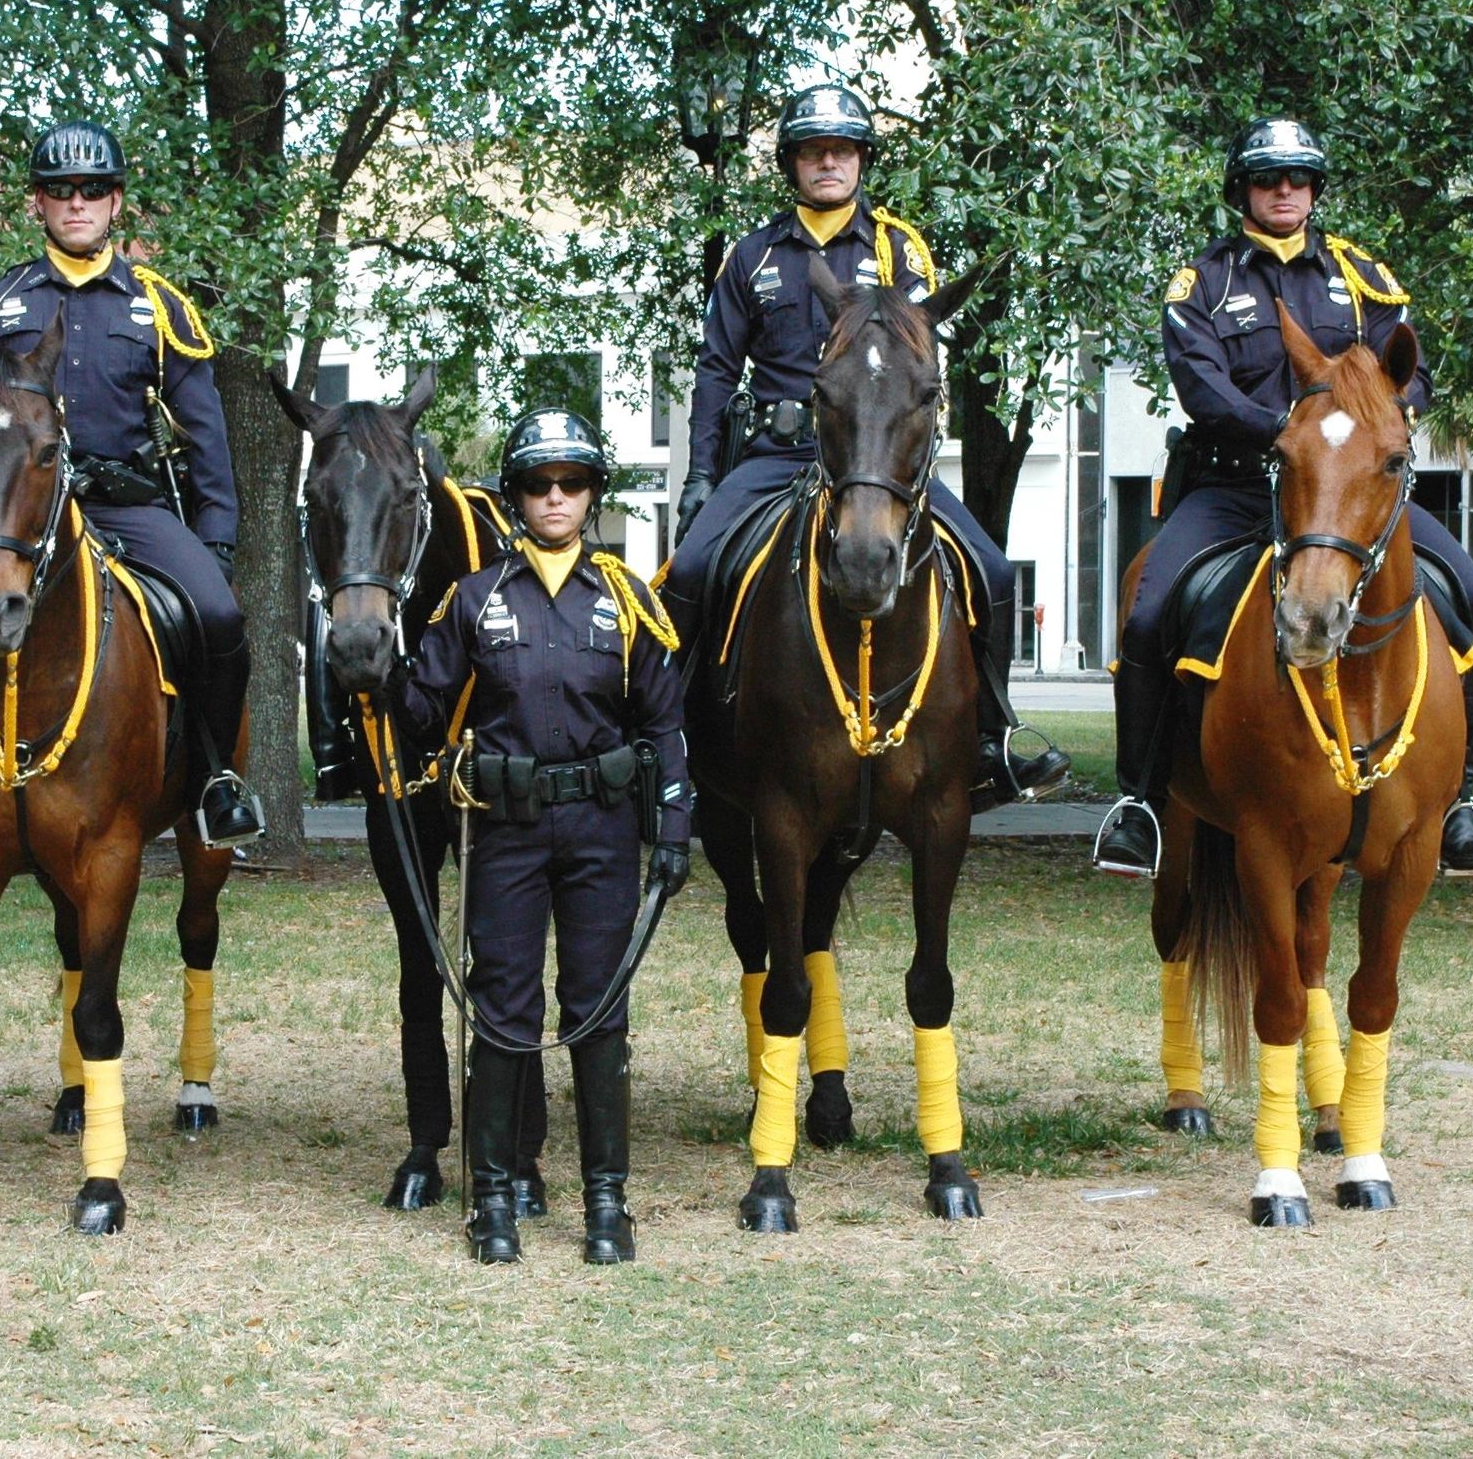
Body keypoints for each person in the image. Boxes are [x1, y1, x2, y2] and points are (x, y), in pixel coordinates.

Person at [1093, 117, 1473, 878]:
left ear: (1314, 190)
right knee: (1149, 616)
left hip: (1348, 497)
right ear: (1241, 190)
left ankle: (1464, 802)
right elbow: (1201, 387)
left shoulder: (1363, 276)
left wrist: (1373, 427)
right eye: (1267, 178)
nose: (1284, 191)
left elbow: (1411, 371)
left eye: (1298, 178)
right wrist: (1289, 428)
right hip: (1235, 487)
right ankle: (1140, 804)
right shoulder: (1203, 284)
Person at [662, 82, 1069, 809]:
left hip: (877, 462)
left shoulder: (899, 247)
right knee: (689, 568)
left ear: (860, 161)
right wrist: (700, 474)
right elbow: (717, 369)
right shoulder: (750, 256)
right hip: (779, 453)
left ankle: (992, 737)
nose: (829, 163)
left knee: (997, 573)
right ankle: (675, 739)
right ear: (791, 163)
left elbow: (919, 358)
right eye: (815, 151)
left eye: (842, 150)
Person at [0, 119, 263, 845]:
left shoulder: (160, 305)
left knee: (220, 618)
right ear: (36, 205)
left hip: (127, 506)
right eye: (59, 191)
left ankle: (215, 778)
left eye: (93, 189)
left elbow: (206, 436)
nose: (76, 203)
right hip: (14, 516)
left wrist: (218, 546)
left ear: (117, 202)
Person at [392, 409, 691, 1266]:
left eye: (570, 483)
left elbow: (665, 725)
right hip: (506, 833)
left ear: (593, 493)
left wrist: (672, 826)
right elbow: (420, 715)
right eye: (535, 484)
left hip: (602, 830)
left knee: (599, 1012)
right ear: (516, 499)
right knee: (503, 1010)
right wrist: (377, 673)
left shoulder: (630, 601)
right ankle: (493, 1201)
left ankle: (607, 1204)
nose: (554, 498)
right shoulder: (475, 601)